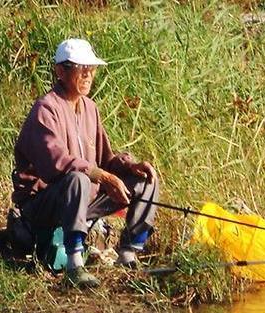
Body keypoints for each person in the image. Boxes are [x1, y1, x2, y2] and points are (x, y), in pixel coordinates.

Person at [11, 38, 159, 288]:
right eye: (82, 69)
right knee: (77, 177)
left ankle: (129, 254)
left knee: (145, 180)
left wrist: (129, 167)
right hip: (43, 205)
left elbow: (105, 159)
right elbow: (56, 164)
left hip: (82, 202)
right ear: (61, 71)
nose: (89, 74)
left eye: (92, 69)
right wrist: (102, 176)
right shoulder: (45, 109)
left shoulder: (90, 108)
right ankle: (74, 264)